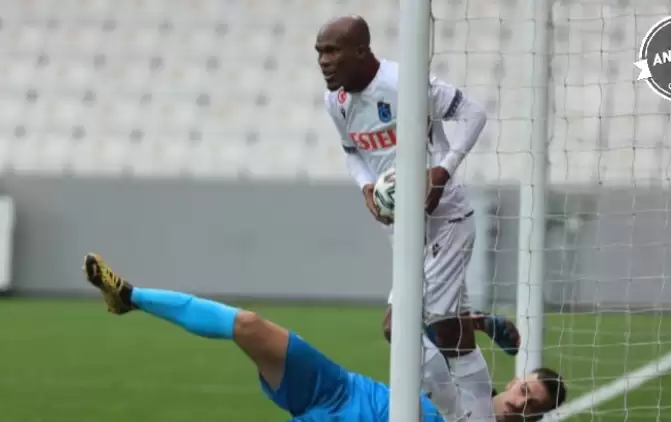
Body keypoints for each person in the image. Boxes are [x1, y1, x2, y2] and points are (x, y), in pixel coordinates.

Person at [82, 253, 566, 422]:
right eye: (526, 391)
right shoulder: (473, 388)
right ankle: (129, 297)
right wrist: (481, 322)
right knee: (249, 324)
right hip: (338, 389)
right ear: (516, 380)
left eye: (532, 407)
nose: (520, 403)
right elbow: (401, 330)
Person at [317, 15, 495, 420]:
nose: (324, 61)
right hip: (402, 226)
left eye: (332, 51)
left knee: (399, 327)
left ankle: (458, 417)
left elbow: (474, 115)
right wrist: (366, 186)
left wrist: (442, 171)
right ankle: (482, 415)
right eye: (320, 53)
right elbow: (352, 154)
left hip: (446, 219)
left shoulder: (405, 84)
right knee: (452, 334)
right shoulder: (336, 102)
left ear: (361, 51)